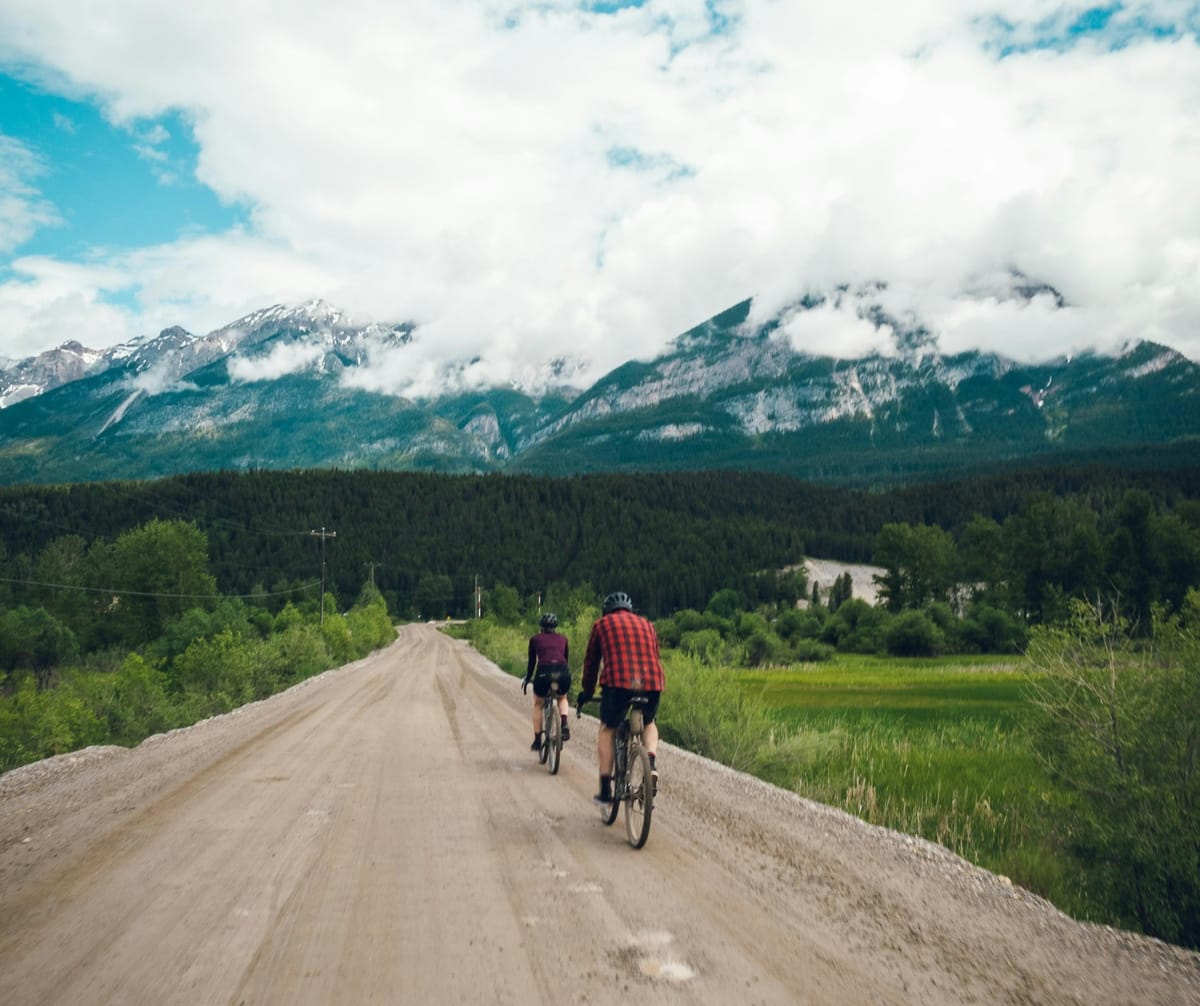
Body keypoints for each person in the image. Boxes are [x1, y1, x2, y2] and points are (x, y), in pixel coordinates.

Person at [578, 591, 664, 804]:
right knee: (649, 722)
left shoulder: (601, 624)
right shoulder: (648, 624)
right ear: (630, 609)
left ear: (607, 611)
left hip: (618, 684)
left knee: (607, 729)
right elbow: (655, 655)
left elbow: (591, 663)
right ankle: (650, 763)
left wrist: (587, 692)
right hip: (652, 682)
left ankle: (606, 789)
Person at [523, 612, 572, 751]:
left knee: (538, 704)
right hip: (562, 672)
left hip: (544, 673)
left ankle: (538, 740)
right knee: (562, 697)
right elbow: (565, 660)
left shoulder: (535, 639)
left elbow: (532, 662)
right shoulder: (564, 639)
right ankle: (564, 723)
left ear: (541, 627)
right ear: (555, 627)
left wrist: (528, 678)